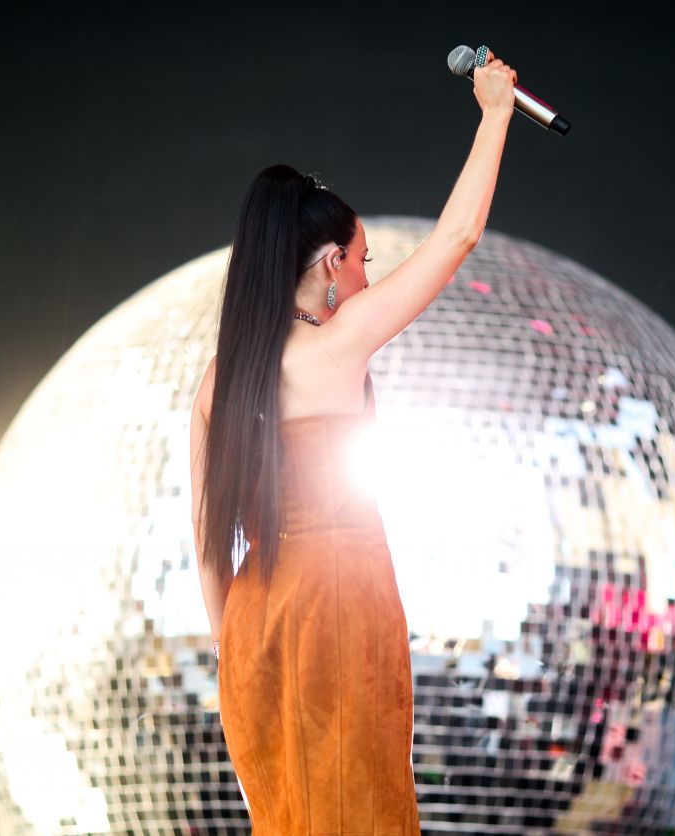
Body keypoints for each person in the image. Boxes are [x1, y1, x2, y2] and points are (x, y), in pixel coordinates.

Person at [190, 50, 518, 835]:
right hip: (339, 608)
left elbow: (208, 547)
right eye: (365, 261)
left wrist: (241, 649)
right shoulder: (336, 345)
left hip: (254, 627)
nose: (370, 279)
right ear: (332, 266)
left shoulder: (217, 378)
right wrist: (497, 112)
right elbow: (458, 236)